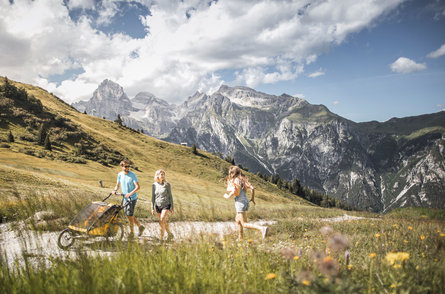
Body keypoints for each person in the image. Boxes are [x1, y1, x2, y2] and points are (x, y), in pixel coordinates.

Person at [224, 165, 268, 241]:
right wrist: (252, 198)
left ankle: (262, 228)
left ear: (232, 174)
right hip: (245, 202)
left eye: (230, 173)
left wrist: (227, 196)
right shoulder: (242, 180)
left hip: (240, 203)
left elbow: (235, 192)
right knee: (237, 220)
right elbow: (252, 188)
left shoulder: (235, 181)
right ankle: (240, 238)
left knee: (244, 223)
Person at [112, 160, 145, 238]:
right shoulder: (120, 174)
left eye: (128, 166)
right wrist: (115, 190)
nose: (127, 168)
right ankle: (140, 227)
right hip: (125, 197)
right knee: (128, 215)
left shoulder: (132, 175)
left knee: (129, 215)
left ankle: (132, 233)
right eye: (125, 166)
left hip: (132, 198)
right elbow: (117, 184)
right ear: (121, 167)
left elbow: (138, 187)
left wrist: (130, 193)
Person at [152, 169, 174, 241]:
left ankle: (161, 239)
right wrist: (152, 208)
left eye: (163, 174)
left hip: (166, 204)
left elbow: (170, 196)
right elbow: (153, 197)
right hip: (158, 205)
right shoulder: (154, 185)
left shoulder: (167, 185)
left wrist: (172, 207)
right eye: (161, 174)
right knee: (163, 221)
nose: (163, 176)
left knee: (161, 220)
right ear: (157, 175)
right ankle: (170, 234)